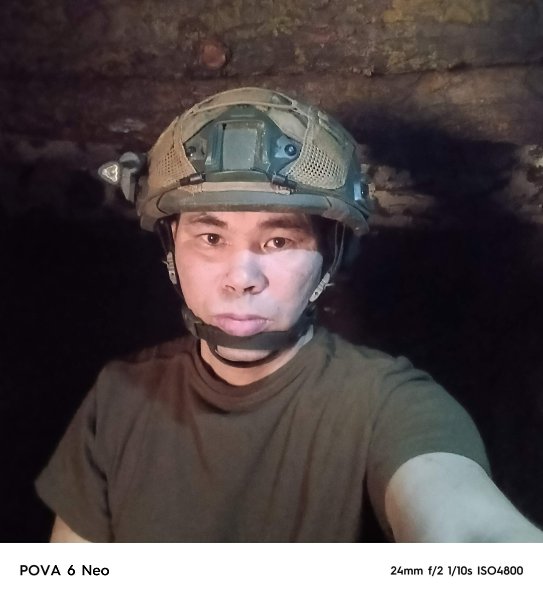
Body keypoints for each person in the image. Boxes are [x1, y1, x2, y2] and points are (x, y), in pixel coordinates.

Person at [36, 87, 543, 542]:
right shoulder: (119, 397)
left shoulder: (390, 406)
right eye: (210, 237)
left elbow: (467, 528)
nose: (241, 278)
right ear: (171, 248)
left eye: (278, 240)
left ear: (330, 255)